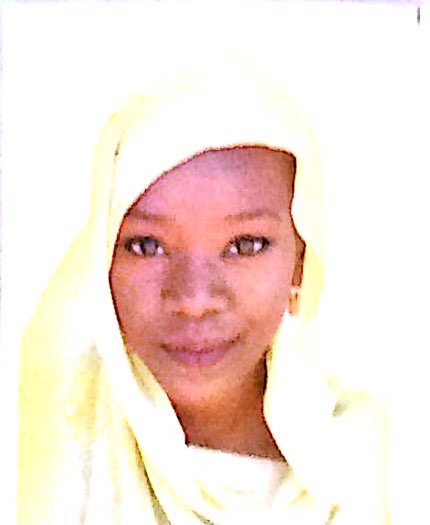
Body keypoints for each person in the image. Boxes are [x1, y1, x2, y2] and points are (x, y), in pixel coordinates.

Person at [17, 59, 388, 524]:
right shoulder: (43, 447)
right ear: (100, 259)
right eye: (146, 246)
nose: (194, 300)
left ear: (301, 262)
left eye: (245, 245)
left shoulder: (375, 460)